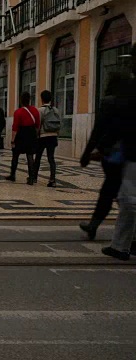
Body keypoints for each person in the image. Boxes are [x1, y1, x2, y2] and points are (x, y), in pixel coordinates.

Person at [97, 43, 136, 260]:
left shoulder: (130, 89)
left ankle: (121, 246)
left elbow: (121, 123)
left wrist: (104, 145)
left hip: (132, 153)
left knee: (128, 200)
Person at [79, 73, 130, 240]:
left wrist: (87, 153)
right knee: (117, 192)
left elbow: (98, 130)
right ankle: (95, 225)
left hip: (113, 154)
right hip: (127, 154)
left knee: (111, 191)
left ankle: (95, 225)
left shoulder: (109, 102)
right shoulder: (129, 101)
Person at [7, 92, 40, 185]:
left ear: (21, 100)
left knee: (15, 155)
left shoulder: (18, 112)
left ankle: (12, 175)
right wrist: (35, 136)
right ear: (29, 100)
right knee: (30, 156)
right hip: (31, 134)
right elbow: (37, 125)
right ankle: (31, 177)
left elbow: (15, 127)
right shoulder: (35, 110)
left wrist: (13, 140)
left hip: (21, 134)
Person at [33, 90, 61, 187]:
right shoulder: (56, 110)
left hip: (43, 136)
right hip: (53, 136)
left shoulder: (40, 110)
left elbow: (38, 124)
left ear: (42, 99)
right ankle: (52, 179)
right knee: (51, 158)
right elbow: (59, 124)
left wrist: (36, 135)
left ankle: (34, 177)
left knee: (38, 157)